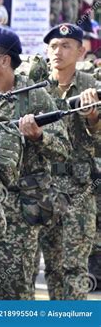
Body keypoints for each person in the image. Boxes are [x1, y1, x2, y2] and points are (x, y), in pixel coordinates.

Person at [0, 27, 70, 300]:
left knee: (14, 289)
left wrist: (39, 136)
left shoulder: (34, 96)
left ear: (4, 60)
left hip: (18, 211)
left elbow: (63, 151)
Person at [38, 23, 101, 300]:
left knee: (74, 267)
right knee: (49, 267)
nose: (58, 52)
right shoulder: (36, 88)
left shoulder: (93, 89)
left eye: (65, 46)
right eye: (53, 46)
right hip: (40, 187)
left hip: (78, 189)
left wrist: (93, 119)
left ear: (81, 51)